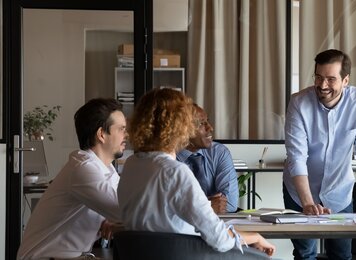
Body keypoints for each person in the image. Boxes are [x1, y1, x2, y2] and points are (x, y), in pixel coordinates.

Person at [117, 88, 275, 256]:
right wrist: (254, 237)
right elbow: (219, 238)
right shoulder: (174, 172)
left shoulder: (132, 165)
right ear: (181, 126)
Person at [283, 49, 356, 260]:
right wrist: (308, 203)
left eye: (330, 79)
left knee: (341, 254)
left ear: (345, 80)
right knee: (305, 253)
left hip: (340, 191)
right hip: (299, 194)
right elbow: (296, 156)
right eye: (318, 77)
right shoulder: (299, 103)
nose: (323, 85)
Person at [18, 98, 127, 260]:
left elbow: (124, 209)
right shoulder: (83, 169)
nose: (127, 134)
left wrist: (111, 222)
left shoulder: (107, 170)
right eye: (121, 129)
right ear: (101, 134)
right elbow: (128, 210)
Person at [176, 104, 239, 214]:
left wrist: (193, 207)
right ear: (184, 130)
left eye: (207, 121)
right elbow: (168, 208)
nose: (210, 127)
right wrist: (208, 206)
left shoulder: (219, 152)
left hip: (216, 225)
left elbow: (230, 204)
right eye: (202, 123)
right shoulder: (167, 160)